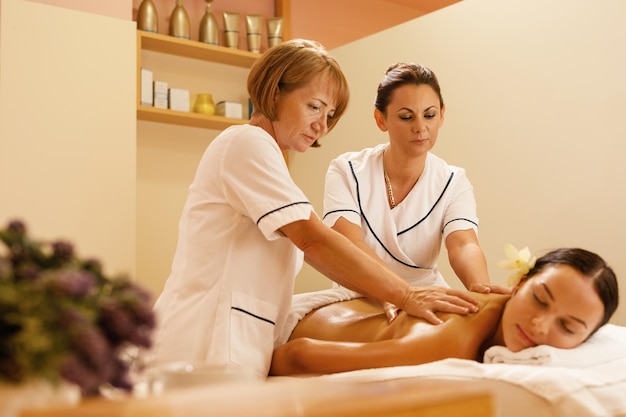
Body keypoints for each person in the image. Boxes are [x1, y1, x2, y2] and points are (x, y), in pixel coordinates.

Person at [151, 40, 480, 379]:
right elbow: (313, 240)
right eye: (314, 107)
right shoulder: (246, 143)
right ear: (275, 92)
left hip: (238, 342)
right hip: (202, 341)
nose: (322, 126)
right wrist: (406, 294)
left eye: (329, 115)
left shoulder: (270, 158)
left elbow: (462, 242)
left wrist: (467, 290)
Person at [323, 63, 507, 319]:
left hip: (429, 297)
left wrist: (481, 290)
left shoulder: (453, 181)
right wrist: (402, 294)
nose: (420, 127)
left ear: (442, 115)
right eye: (407, 117)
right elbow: (348, 244)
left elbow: (464, 244)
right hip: (360, 296)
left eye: (429, 115)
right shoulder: (348, 170)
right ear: (381, 119)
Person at [269, 247, 619, 376]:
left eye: (569, 327)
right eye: (540, 299)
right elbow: (296, 357)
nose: (541, 324)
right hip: (297, 324)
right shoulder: (448, 340)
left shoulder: (498, 316)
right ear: (518, 284)